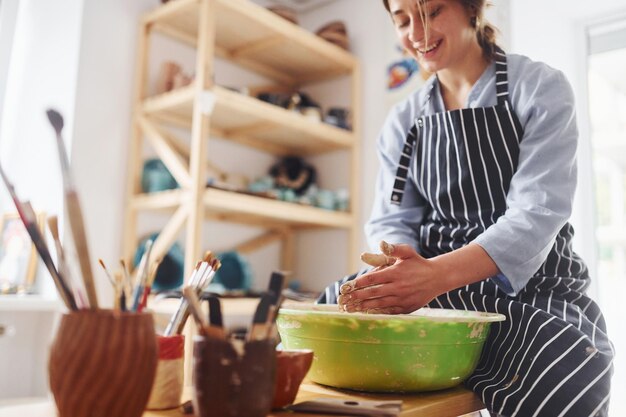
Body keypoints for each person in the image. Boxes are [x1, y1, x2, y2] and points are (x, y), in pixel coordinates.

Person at [317, 0, 614, 415]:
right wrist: (398, 270)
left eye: (433, 11)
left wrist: (436, 276)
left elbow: (537, 212)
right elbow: (393, 217)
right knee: (330, 306)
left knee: (570, 358)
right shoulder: (404, 121)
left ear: (472, 9)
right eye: (402, 20)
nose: (418, 34)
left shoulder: (540, 86)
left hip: (532, 289)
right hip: (428, 287)